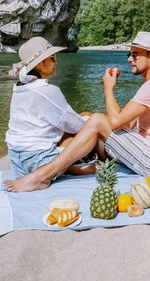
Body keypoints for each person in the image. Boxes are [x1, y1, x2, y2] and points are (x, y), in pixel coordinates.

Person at [4, 32, 150, 192]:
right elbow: (127, 123)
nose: (129, 59)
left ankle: (42, 176)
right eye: (129, 54)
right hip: (149, 151)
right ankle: (79, 164)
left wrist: (107, 88)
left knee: (97, 120)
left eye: (135, 55)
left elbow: (115, 123)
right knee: (93, 120)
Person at [6, 36, 88, 179]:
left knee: (79, 122)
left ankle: (76, 165)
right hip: (39, 162)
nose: (56, 62)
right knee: (91, 125)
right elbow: (76, 126)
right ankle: (86, 165)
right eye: (53, 58)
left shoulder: (19, 89)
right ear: (39, 64)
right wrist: (91, 120)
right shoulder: (47, 90)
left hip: (17, 162)